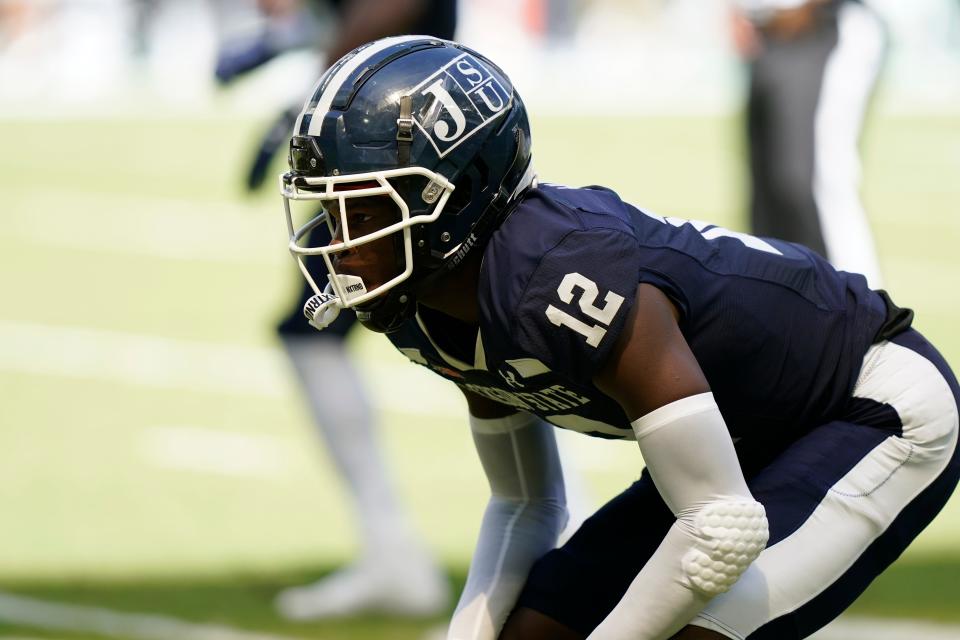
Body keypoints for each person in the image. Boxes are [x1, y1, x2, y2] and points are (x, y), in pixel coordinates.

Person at [278, 36, 959, 639]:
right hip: (743, 439)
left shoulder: (558, 277)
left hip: (868, 406)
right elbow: (525, 503)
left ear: (457, 197)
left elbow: (719, 522)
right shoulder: (425, 303)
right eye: (332, 209)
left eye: (365, 208)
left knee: (709, 628)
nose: (342, 244)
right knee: (538, 624)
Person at [216, 0, 457, 620]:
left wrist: (313, 87)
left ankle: (561, 536)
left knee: (493, 327)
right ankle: (393, 549)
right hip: (390, 132)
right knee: (314, 331)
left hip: (403, 141)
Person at [731, 0, 887, 287]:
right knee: (768, 192)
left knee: (814, 179)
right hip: (767, 34)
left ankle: (867, 315)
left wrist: (798, 10)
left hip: (826, 27)